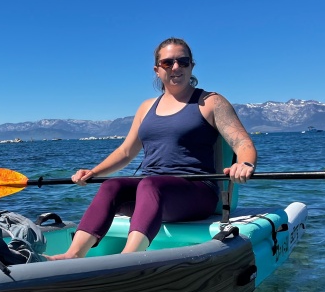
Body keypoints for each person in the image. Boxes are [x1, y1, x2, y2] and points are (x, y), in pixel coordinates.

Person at [48, 37, 256, 260]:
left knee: (149, 185)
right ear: (157, 70)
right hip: (152, 192)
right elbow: (126, 151)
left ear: (191, 66)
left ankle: (128, 259)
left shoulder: (211, 102)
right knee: (112, 186)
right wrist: (93, 172)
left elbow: (242, 143)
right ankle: (73, 255)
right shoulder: (147, 107)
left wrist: (244, 163)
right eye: (168, 63)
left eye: (182, 61)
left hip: (196, 193)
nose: (175, 67)